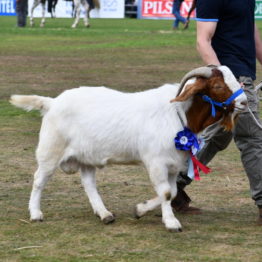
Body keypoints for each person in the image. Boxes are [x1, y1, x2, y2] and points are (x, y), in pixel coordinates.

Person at [171, 0, 262, 225]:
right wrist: (227, 82)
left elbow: (251, 32)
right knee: (252, 138)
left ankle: (174, 187)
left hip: (243, 76)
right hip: (232, 81)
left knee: (217, 136)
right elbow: (203, 41)